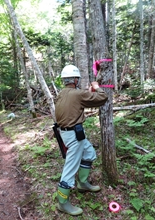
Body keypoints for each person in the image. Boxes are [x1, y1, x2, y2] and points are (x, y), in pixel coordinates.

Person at [55, 65, 108, 216]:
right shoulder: (77, 94)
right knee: (70, 169)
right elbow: (102, 97)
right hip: (73, 135)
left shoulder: (62, 93)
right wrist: (97, 87)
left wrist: (87, 93)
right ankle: (62, 203)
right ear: (75, 80)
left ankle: (83, 183)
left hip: (70, 133)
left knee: (89, 153)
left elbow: (79, 100)